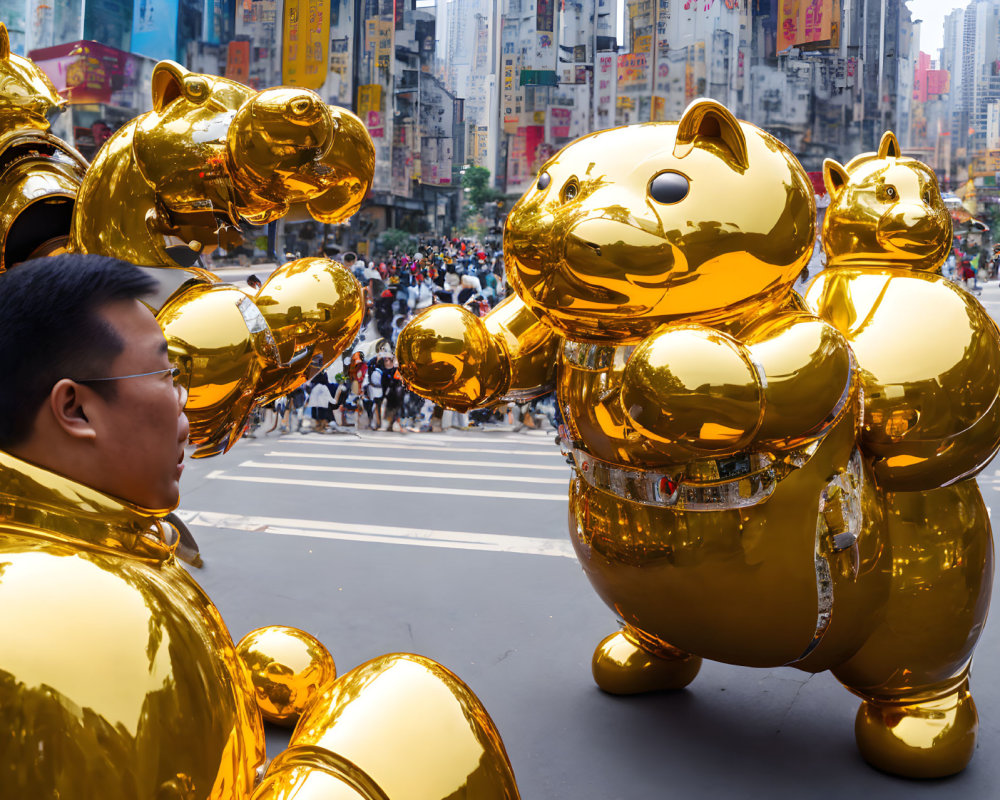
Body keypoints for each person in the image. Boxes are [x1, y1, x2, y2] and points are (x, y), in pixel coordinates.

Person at [0, 254, 268, 793]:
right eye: (167, 375)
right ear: (74, 409)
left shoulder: (105, 548)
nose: (186, 413)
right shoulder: (87, 610)